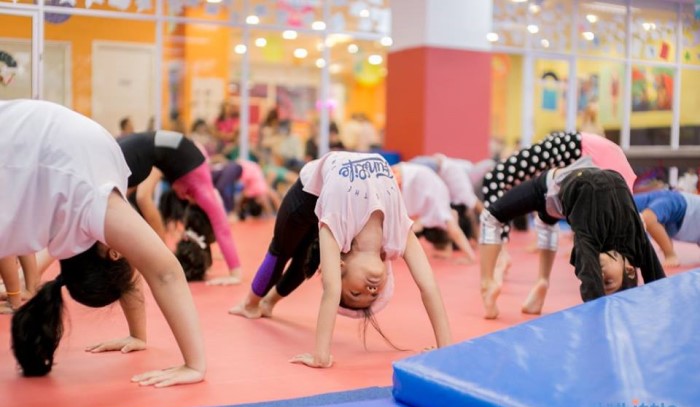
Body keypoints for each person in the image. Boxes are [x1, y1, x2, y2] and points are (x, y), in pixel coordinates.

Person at [0, 99, 205, 386]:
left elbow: (150, 269)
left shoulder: (77, 212)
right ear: (114, 251)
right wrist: (193, 365)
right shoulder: (71, 217)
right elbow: (161, 271)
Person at [229, 151, 452, 367]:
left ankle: (266, 303)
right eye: (373, 294)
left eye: (356, 293)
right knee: (282, 249)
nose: (370, 289)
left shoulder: (336, 222)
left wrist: (321, 356)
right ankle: (251, 304)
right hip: (308, 196)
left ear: (340, 264)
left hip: (313, 195)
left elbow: (331, 289)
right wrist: (446, 349)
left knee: (300, 260)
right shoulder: (396, 232)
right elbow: (429, 285)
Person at [479, 164, 665, 319]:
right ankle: (498, 282)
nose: (599, 275)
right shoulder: (602, 236)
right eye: (607, 281)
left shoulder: (630, 240)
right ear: (630, 269)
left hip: (591, 183)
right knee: (495, 216)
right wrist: (596, 316)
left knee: (540, 220)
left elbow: (656, 278)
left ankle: (533, 282)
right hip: (558, 188)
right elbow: (591, 278)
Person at [481, 131, 637, 285]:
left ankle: (507, 257)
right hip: (583, 149)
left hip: (586, 154)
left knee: (501, 181)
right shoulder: (620, 214)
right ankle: (506, 256)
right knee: (504, 182)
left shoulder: (619, 215)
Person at [117, 131, 242, 285]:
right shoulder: (203, 190)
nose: (184, 198)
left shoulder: (182, 167)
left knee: (115, 198)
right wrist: (235, 273)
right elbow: (222, 228)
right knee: (115, 200)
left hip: (142, 145)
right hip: (141, 146)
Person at [392, 162, 476, 262]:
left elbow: (454, 230)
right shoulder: (437, 212)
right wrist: (470, 256)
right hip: (406, 175)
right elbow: (455, 232)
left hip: (407, 173)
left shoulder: (431, 214)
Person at [634, 189, 700, 268]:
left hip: (675, 200)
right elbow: (648, 219)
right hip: (680, 202)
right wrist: (669, 253)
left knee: (629, 206)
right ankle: (670, 255)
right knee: (647, 217)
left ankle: (670, 254)